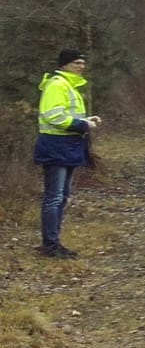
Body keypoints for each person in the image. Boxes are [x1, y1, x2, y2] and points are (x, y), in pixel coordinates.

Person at [35, 49, 101, 258]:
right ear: (64, 65)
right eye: (76, 63)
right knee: (54, 197)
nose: (81, 66)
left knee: (62, 197)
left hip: (68, 146)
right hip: (57, 145)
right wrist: (82, 124)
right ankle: (51, 245)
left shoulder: (68, 85)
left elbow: (64, 114)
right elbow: (54, 116)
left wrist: (86, 121)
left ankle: (53, 242)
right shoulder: (57, 85)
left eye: (82, 63)